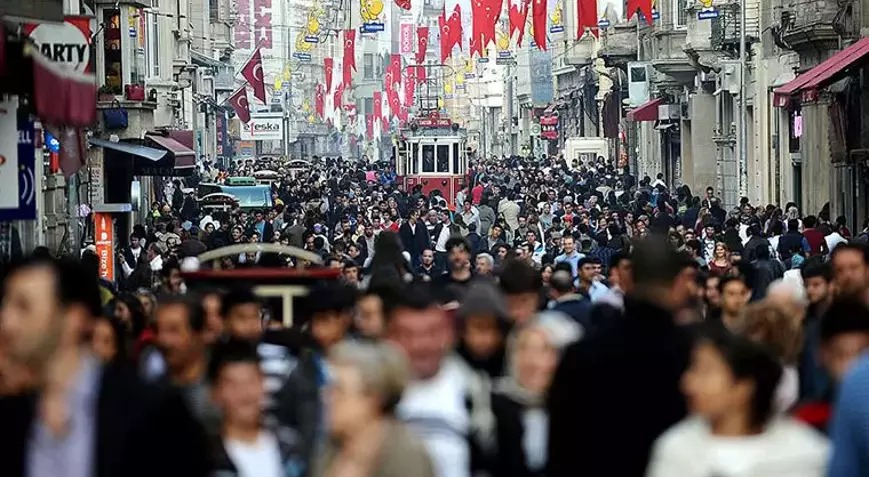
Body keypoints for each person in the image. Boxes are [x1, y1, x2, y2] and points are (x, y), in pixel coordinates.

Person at [0, 256, 210, 477]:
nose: (7, 321)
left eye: (23, 307)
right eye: (5, 305)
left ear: (74, 318)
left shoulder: (152, 413)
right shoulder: (11, 417)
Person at [548, 239, 696, 477]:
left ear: (629, 280)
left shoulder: (583, 353)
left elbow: (561, 447)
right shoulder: (697, 354)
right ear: (680, 283)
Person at [646, 328, 829, 477]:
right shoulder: (677, 449)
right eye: (693, 370)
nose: (689, 383)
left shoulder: (805, 455)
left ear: (744, 387)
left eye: (705, 371)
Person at [385, 282, 494, 477]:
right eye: (408, 335)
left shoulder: (478, 392)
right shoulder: (371, 396)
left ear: (448, 333)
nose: (421, 345)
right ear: (390, 337)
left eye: (431, 332)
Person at [313, 341, 436, 477]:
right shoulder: (326, 447)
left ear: (373, 399)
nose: (326, 397)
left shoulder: (407, 456)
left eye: (338, 390)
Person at [490, 312, 580, 477]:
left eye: (544, 350)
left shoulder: (581, 414)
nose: (531, 361)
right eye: (523, 348)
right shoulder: (491, 408)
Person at [208, 339, 305, 477]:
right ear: (215, 393)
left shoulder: (292, 448)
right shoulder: (205, 458)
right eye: (233, 385)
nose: (244, 394)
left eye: (251, 381)